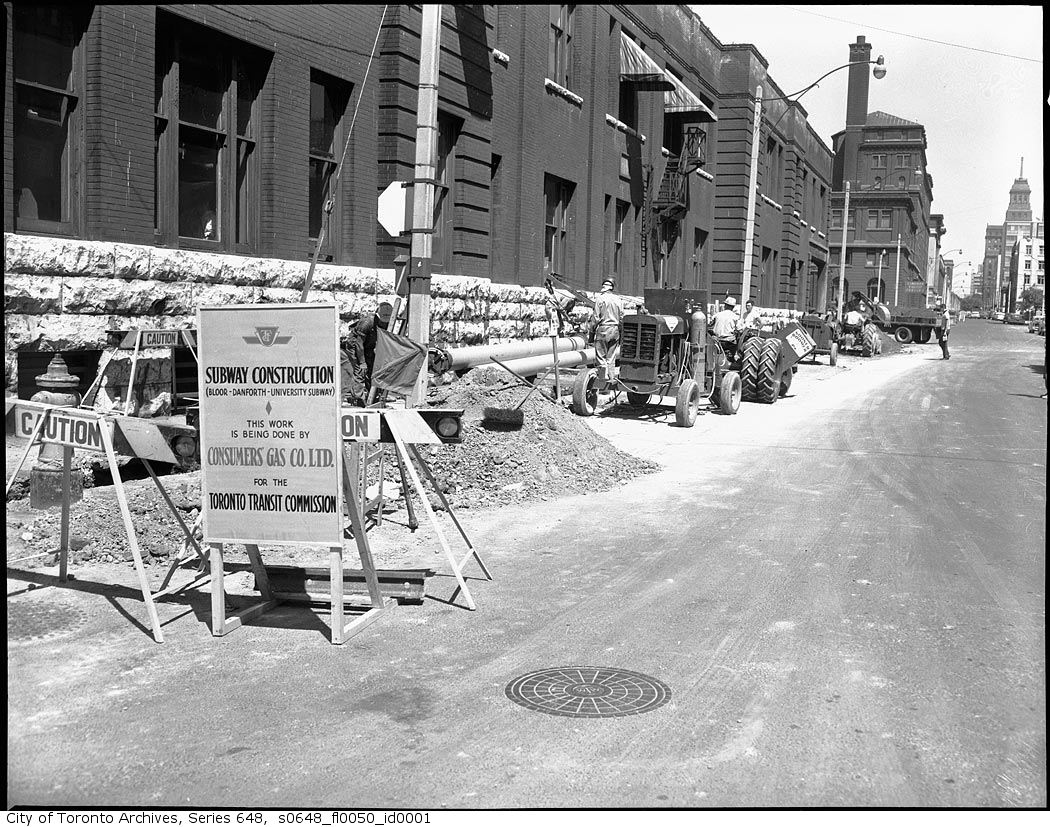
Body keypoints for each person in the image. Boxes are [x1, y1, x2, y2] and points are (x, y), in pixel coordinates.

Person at [342, 301, 394, 403]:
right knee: (360, 371)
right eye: (382, 321)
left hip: (369, 344)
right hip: (355, 345)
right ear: (377, 316)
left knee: (373, 369)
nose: (384, 323)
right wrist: (362, 362)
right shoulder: (367, 322)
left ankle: (374, 395)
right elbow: (359, 344)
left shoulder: (388, 322)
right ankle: (358, 399)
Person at [591, 278, 623, 379]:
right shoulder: (618, 299)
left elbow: (595, 318)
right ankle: (611, 378)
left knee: (601, 357)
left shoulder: (600, 299)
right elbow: (622, 318)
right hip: (615, 330)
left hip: (603, 329)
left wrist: (591, 333)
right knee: (612, 357)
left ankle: (602, 379)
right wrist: (620, 333)